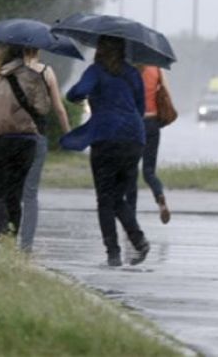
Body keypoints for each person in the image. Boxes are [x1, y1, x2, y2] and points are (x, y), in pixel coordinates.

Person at [61, 36, 151, 267]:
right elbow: (140, 107)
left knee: (105, 198)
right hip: (133, 138)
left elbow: (77, 93)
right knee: (118, 196)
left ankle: (113, 252)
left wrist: (82, 95)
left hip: (106, 137)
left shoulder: (96, 71)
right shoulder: (132, 73)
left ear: (100, 49)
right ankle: (138, 240)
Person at [0, 44, 50, 239]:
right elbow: (43, 108)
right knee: (15, 194)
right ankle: (11, 240)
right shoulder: (32, 76)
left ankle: (2, 236)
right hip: (25, 142)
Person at [18, 48, 71, 252]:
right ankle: (26, 246)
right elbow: (58, 107)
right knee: (30, 193)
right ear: (38, 49)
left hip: (9, 136)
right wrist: (68, 135)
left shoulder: (6, 70)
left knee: (9, 190)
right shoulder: (46, 72)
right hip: (36, 136)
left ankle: (6, 237)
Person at [125, 65, 171, 224]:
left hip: (134, 124)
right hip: (153, 123)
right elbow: (166, 92)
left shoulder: (129, 70)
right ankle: (159, 196)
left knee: (131, 172)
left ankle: (131, 216)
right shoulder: (157, 69)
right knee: (149, 171)